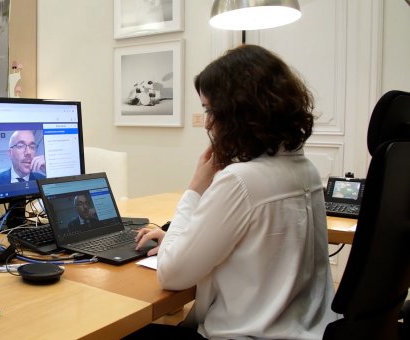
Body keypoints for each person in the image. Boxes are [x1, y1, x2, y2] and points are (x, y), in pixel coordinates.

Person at [129, 45, 338, 339]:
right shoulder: (305, 168)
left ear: (239, 112)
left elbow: (171, 274)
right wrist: (184, 239)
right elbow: (256, 248)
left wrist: (195, 189)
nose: (209, 123)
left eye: (210, 110)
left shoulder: (241, 181)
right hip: (305, 329)